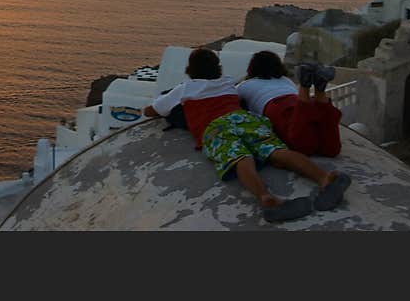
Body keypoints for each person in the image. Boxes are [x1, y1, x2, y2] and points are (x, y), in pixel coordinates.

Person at [143, 47, 350, 222]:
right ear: (219, 69)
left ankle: (265, 196)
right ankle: (323, 177)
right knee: (276, 150)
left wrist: (154, 107)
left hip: (216, 128)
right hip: (245, 119)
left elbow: (154, 110)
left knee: (241, 157)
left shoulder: (186, 88)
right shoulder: (228, 83)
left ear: (190, 70)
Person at [237, 50, 342, 157]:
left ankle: (305, 85)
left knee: (303, 145)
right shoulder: (286, 80)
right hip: (297, 101)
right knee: (331, 148)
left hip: (276, 107)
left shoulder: (246, 85)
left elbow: (231, 100)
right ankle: (319, 90)